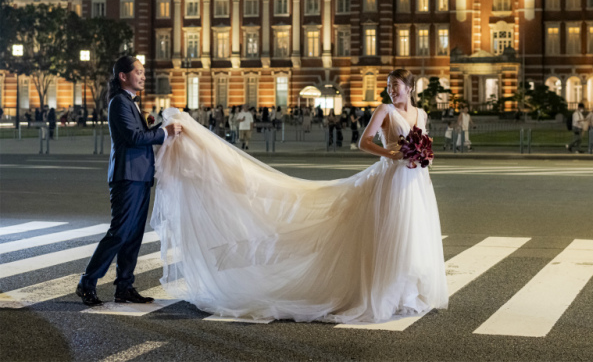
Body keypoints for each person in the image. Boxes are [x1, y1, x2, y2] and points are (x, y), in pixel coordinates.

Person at [151, 68, 447, 323]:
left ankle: (408, 291)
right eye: (388, 86)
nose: (391, 90)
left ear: (409, 88)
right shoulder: (385, 111)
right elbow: (363, 142)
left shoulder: (420, 114)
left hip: (416, 180)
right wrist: (389, 152)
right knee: (390, 234)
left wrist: (423, 156)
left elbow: (424, 141)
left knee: (413, 234)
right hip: (390, 177)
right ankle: (386, 291)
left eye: (395, 86)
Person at [76, 56, 181, 307]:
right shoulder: (119, 103)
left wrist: (154, 127)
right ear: (123, 76)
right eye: (139, 72)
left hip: (141, 175)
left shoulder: (132, 103)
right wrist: (164, 132)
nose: (143, 76)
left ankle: (124, 287)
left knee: (133, 234)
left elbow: (140, 133)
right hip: (127, 176)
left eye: (144, 72)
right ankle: (87, 282)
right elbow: (134, 137)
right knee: (120, 232)